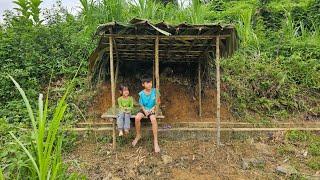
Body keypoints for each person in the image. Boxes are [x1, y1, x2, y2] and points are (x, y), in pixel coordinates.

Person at [132, 76, 161, 153]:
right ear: (143, 84)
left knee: (153, 119)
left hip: (153, 108)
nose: (149, 84)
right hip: (144, 109)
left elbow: (158, 102)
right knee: (137, 118)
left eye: (150, 82)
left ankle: (155, 141)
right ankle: (138, 135)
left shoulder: (155, 91)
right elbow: (141, 104)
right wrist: (144, 111)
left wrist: (153, 108)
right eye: (147, 83)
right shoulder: (141, 94)